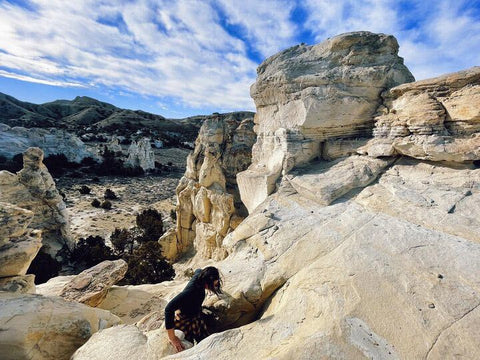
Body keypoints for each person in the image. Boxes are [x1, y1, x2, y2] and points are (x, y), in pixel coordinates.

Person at [165, 266, 223, 352]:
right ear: (206, 282)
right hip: (185, 319)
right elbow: (169, 308)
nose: (214, 286)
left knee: (206, 344)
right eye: (213, 285)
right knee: (187, 347)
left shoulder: (200, 275)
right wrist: (172, 337)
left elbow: (198, 269)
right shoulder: (192, 290)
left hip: (196, 316)